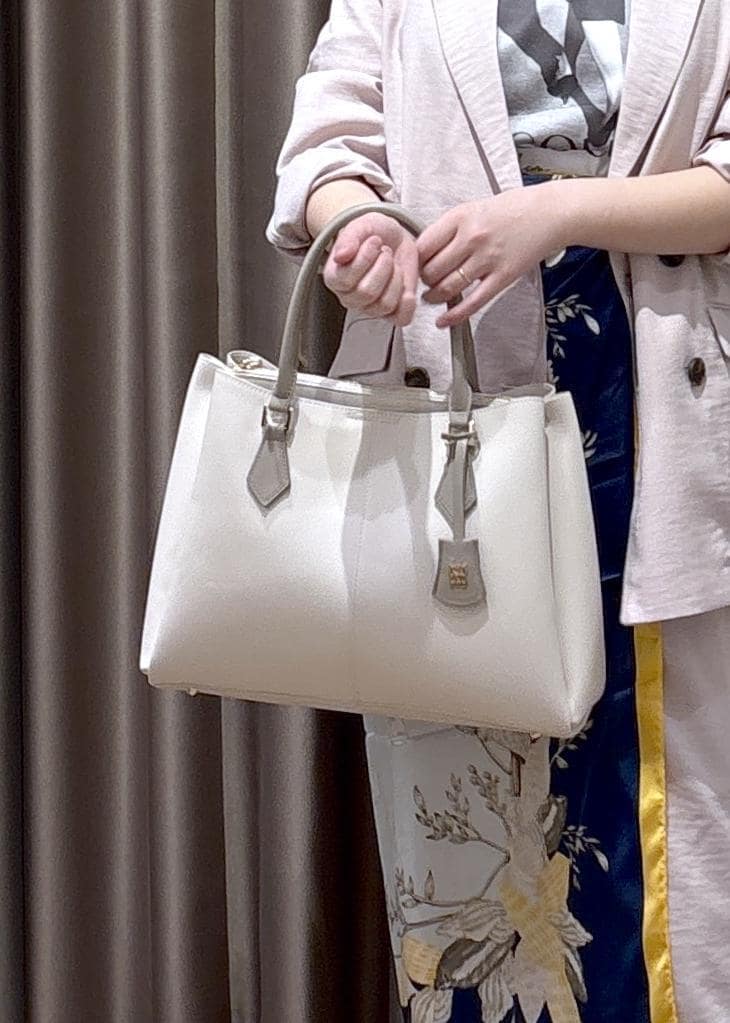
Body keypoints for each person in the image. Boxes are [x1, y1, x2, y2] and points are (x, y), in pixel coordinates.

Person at [265, 1, 730, 1019]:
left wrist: (558, 214)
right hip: (452, 417)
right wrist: (362, 229)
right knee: (470, 836)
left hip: (662, 421)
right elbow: (326, 143)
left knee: (673, 825)